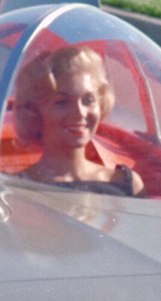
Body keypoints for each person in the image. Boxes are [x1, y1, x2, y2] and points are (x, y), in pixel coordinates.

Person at [9, 42, 146, 195]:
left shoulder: (128, 183)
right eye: (62, 102)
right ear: (35, 112)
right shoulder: (16, 187)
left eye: (88, 100)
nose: (79, 112)